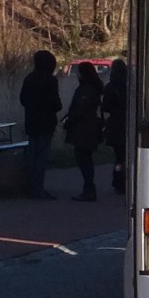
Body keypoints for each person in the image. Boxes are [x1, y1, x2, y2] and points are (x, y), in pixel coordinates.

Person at [19, 49, 63, 200]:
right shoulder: (50, 80)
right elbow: (56, 104)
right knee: (41, 156)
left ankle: (29, 186)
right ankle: (38, 188)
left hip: (31, 121)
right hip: (46, 123)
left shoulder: (29, 78)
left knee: (32, 154)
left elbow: (23, 99)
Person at [62, 61, 105, 202]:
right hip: (90, 128)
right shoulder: (94, 88)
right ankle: (88, 189)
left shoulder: (85, 90)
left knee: (84, 160)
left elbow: (80, 110)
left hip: (83, 129)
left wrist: (69, 122)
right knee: (86, 159)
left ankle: (89, 190)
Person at [102, 59, 128, 196]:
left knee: (118, 156)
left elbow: (105, 106)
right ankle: (127, 180)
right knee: (127, 156)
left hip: (116, 124)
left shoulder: (111, 86)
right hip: (128, 123)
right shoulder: (130, 85)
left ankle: (118, 181)